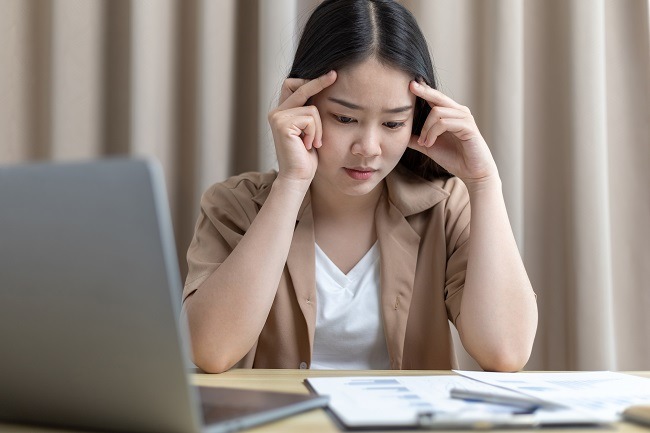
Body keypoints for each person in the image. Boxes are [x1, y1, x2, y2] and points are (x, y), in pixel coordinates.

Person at [182, 0, 538, 373]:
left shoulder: (445, 208)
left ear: (417, 119)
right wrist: (292, 182)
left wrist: (483, 183)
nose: (368, 148)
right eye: (345, 117)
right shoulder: (233, 205)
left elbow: (505, 353)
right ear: (302, 103)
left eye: (392, 124)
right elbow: (210, 350)